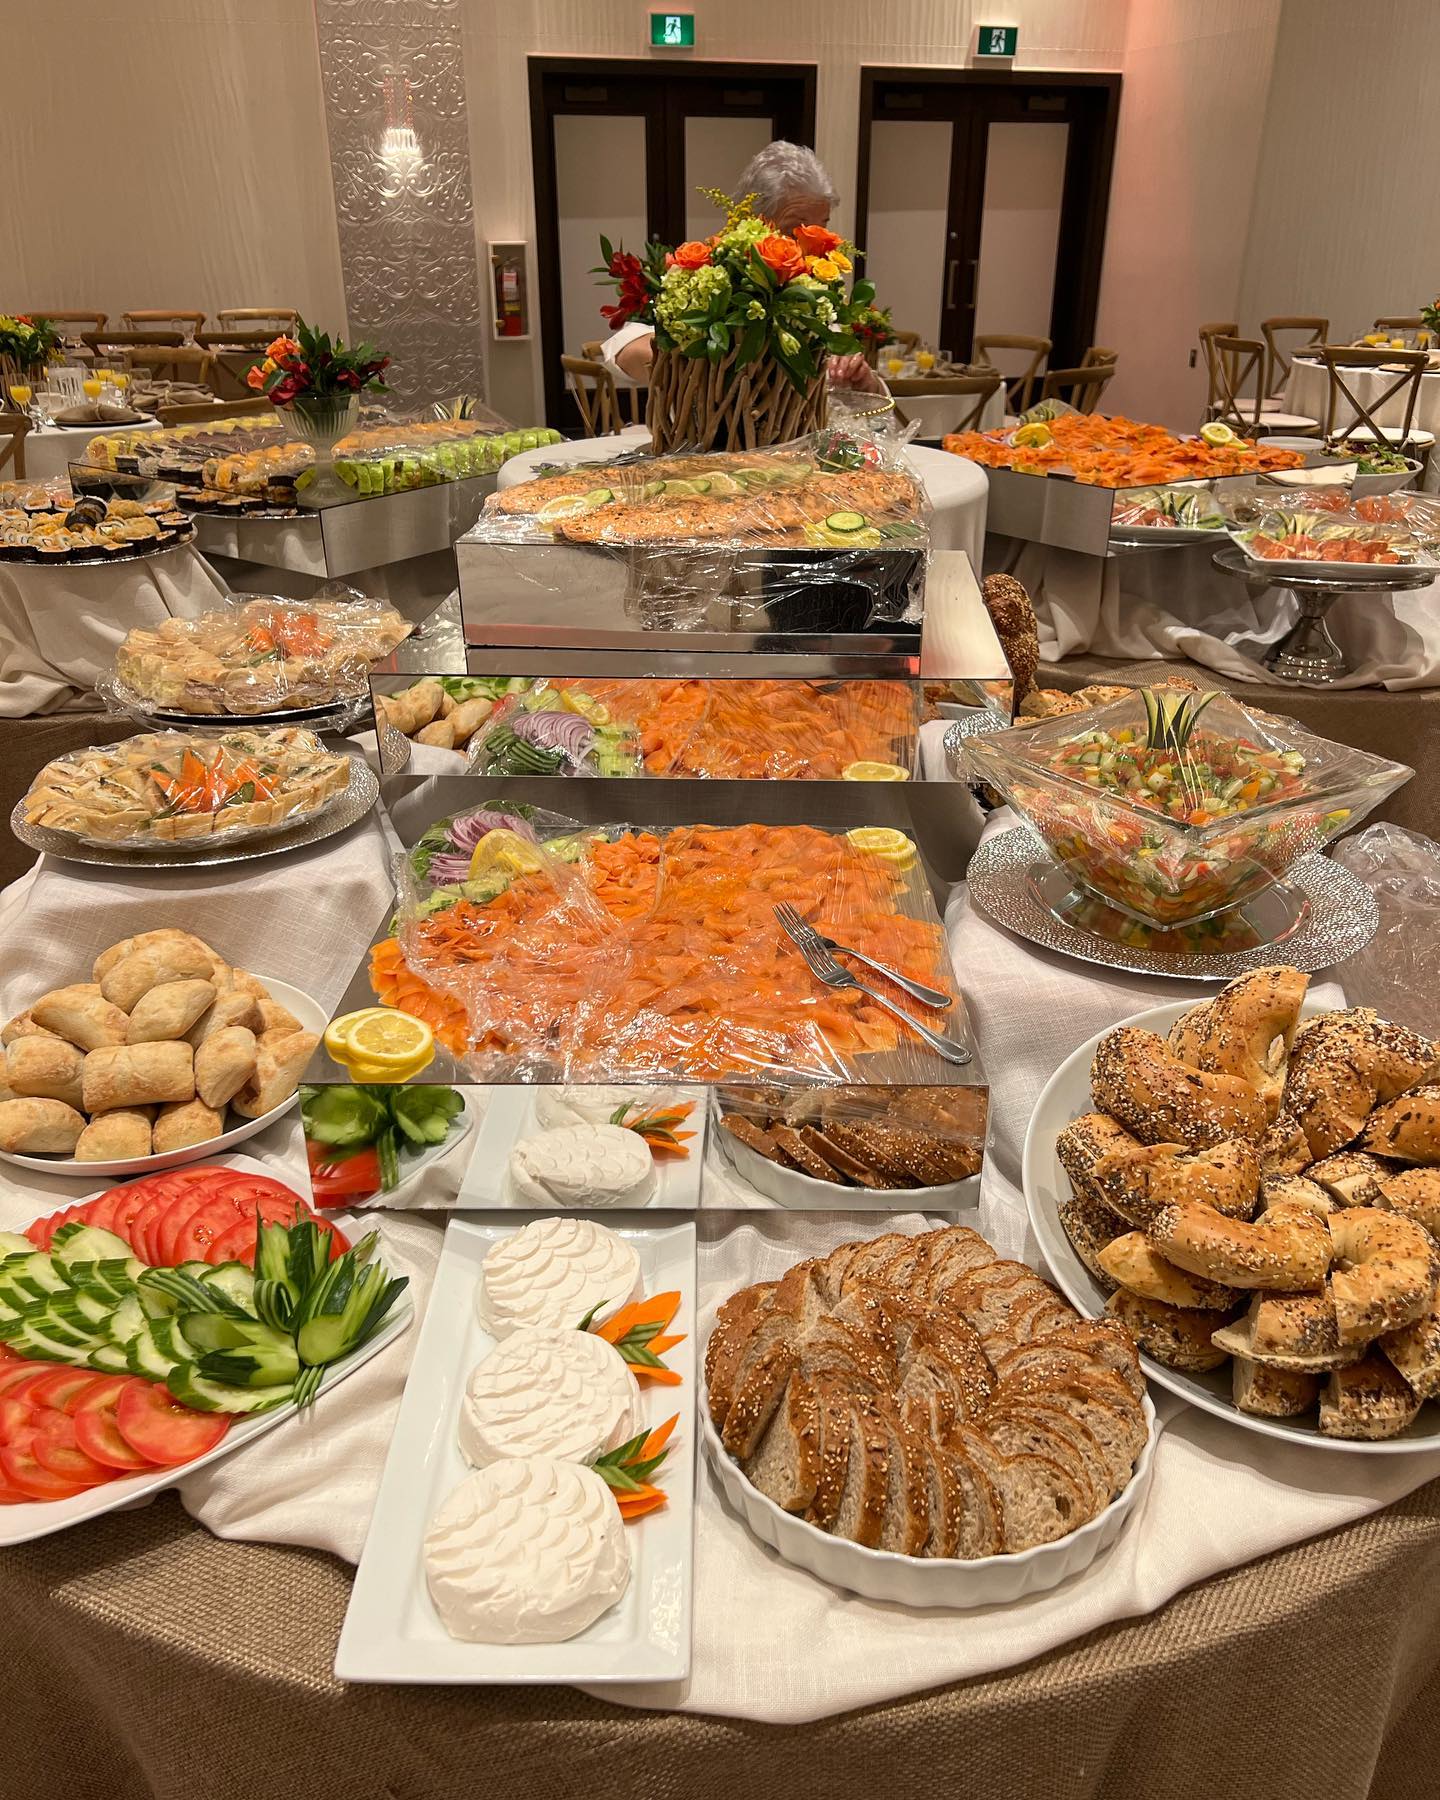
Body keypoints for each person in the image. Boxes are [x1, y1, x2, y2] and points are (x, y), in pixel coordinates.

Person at [600, 139, 881, 393]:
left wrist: (866, 383)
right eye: (795, 229)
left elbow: (849, 396)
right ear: (752, 222)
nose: (815, 246)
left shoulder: (814, 295)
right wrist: (697, 365)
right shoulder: (711, 277)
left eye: (822, 228)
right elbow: (622, 350)